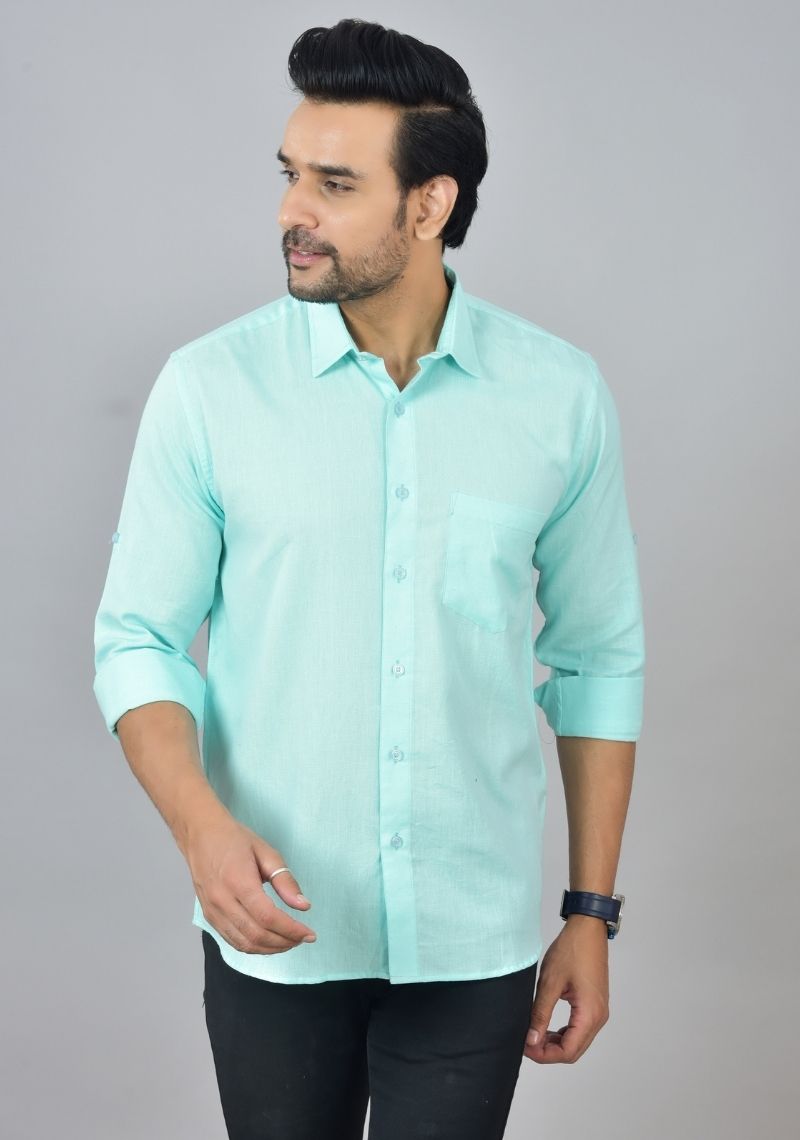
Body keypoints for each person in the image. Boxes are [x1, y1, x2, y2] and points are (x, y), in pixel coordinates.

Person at [92, 17, 645, 1140]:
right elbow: (137, 641)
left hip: (471, 939)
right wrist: (200, 830)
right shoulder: (209, 389)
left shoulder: (557, 396)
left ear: (429, 205)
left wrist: (589, 911)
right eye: (290, 174)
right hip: (277, 929)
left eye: (334, 184)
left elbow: (597, 661)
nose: (291, 210)